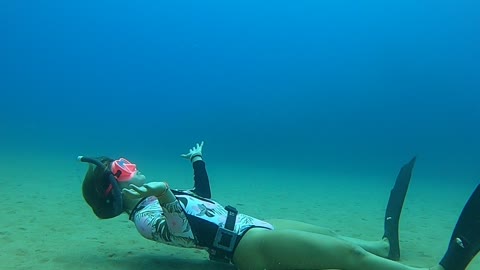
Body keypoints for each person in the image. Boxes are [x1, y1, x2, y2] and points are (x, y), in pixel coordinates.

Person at [78, 141, 480, 270]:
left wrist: (197, 163)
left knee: (330, 237)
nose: (132, 166)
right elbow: (182, 234)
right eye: (122, 168)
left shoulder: (154, 199)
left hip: (250, 224)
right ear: (112, 189)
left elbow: (204, 203)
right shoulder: (146, 218)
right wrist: (164, 196)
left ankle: (384, 248)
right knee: (347, 255)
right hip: (243, 246)